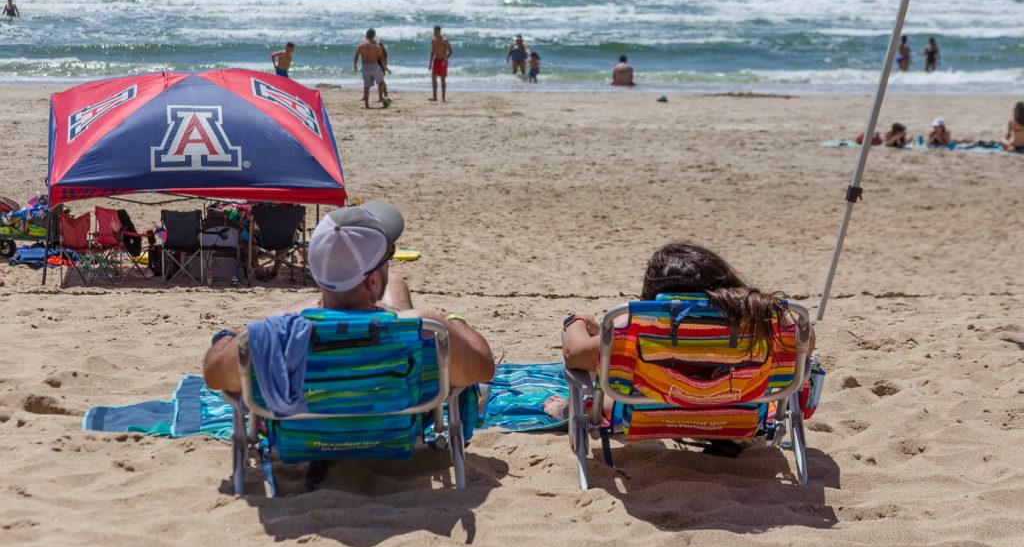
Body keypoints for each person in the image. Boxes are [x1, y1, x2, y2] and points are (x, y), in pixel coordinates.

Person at [203, 201, 495, 394]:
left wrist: (234, 334)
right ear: (373, 281)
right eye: (387, 258)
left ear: (318, 276)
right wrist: (454, 322)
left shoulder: (271, 332)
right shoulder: (424, 327)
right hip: (394, 437)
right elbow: (484, 369)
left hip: (305, 439)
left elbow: (214, 375)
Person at [550, 241, 815, 420]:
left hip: (656, 412)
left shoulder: (641, 328)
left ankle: (571, 407)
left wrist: (576, 322)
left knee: (610, 369)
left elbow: (574, 354)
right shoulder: (758, 326)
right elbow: (807, 342)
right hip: (737, 412)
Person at [354, 28, 389, 109]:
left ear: (366, 35)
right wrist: (385, 67)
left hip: (365, 66)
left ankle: (366, 104)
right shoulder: (377, 46)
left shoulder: (361, 46)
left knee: (366, 86)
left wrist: (355, 66)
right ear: (374, 35)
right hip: (374, 65)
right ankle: (381, 97)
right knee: (381, 82)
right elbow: (381, 57)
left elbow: (356, 57)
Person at [429, 25, 452, 101]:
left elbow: (450, 51)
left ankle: (443, 97)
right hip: (436, 60)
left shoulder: (444, 40)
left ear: (439, 32)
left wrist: (446, 58)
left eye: (436, 32)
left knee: (442, 79)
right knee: (433, 78)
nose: (435, 33)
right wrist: (430, 63)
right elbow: (432, 52)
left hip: (443, 61)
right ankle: (434, 97)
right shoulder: (433, 40)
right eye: (434, 32)